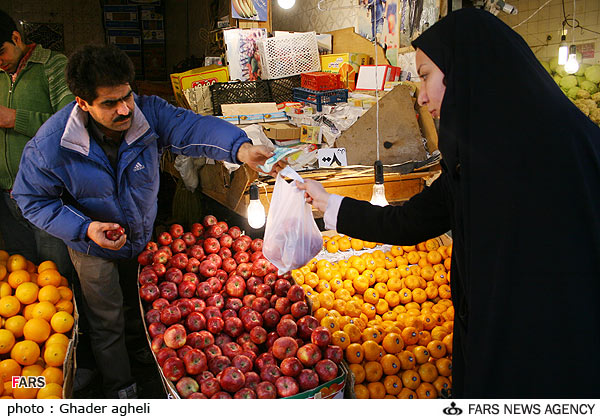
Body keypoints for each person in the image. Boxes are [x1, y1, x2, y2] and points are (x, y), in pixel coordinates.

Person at [297, 8, 600, 398]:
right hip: (497, 343)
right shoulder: (477, 155)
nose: (421, 97)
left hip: (548, 354)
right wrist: (330, 203)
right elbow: (412, 221)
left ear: (464, 71)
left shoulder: (556, 147)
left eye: (425, 76)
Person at [12, 44, 279, 398]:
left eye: (127, 97)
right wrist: (84, 228)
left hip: (141, 236)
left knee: (144, 305)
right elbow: (30, 199)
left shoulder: (147, 113)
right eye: (110, 103)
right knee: (107, 320)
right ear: (82, 103)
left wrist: (240, 149)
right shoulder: (52, 144)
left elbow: (191, 128)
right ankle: (122, 387)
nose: (124, 110)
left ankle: (146, 358)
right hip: (91, 244)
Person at [0, 10, 75, 274]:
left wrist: (14, 119)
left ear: (16, 37)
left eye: (1, 53)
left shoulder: (54, 66)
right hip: (6, 198)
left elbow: (70, 125)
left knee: (56, 276)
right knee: (22, 278)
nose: (0, 63)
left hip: (46, 196)